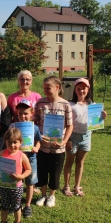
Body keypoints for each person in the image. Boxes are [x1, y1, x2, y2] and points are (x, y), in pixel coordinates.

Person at [63, 78, 107, 197]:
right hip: (72, 137)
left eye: (84, 88)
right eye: (79, 88)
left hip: (87, 136)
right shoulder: (70, 105)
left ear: (88, 89)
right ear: (75, 90)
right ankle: (66, 186)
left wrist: (102, 117)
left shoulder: (93, 105)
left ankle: (77, 186)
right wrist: (66, 138)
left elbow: (96, 120)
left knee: (80, 162)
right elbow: (65, 122)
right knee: (69, 162)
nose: (81, 90)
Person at [34, 75, 73, 207]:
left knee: (55, 172)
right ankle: (43, 194)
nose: (45, 90)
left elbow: (70, 125)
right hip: (43, 145)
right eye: (44, 88)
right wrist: (38, 135)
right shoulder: (40, 102)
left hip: (58, 147)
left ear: (57, 88)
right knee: (42, 171)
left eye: (48, 88)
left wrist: (64, 141)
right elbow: (35, 120)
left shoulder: (65, 104)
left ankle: (51, 196)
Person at [9, 99, 41, 218]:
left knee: (30, 182)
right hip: (16, 158)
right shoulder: (12, 126)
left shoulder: (35, 128)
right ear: (16, 113)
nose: (23, 116)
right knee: (16, 181)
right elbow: (8, 141)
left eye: (26, 113)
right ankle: (16, 204)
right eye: (20, 113)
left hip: (31, 157)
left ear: (31, 113)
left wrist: (36, 148)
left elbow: (38, 142)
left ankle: (27, 205)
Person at [0, 128, 31, 223]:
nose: (12, 145)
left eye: (15, 142)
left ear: (20, 143)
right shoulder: (2, 153)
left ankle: (17, 222)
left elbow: (29, 170)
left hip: (17, 186)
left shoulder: (22, 156)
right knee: (4, 205)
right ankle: (3, 221)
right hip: (4, 186)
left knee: (16, 206)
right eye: (9, 142)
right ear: (5, 141)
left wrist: (21, 177)